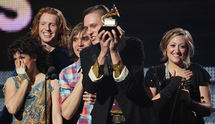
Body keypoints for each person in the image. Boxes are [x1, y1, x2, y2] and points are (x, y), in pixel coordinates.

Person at [81, 4, 160, 124]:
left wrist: (114, 52)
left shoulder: (133, 45)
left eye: (93, 26)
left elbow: (129, 86)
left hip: (136, 117)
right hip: (104, 119)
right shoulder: (87, 53)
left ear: (108, 23)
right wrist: (102, 53)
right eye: (86, 28)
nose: (89, 32)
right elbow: (89, 86)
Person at [0, 7, 73, 123]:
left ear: (60, 29)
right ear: (38, 27)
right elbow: (17, 84)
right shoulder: (26, 53)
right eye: (43, 24)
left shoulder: (67, 57)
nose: (47, 29)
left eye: (52, 25)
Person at [145, 28, 212, 124]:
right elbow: (150, 108)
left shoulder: (197, 70)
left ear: (188, 49)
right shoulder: (155, 72)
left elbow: (208, 110)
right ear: (165, 47)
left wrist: (190, 102)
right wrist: (172, 85)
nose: (176, 50)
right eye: (173, 45)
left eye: (182, 46)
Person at [3, 34, 62, 123]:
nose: (19, 62)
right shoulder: (12, 82)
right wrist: (25, 81)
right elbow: (12, 109)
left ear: (34, 57)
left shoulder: (51, 82)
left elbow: (56, 117)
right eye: (16, 59)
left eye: (22, 57)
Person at [59, 22, 96, 124]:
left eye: (84, 39)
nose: (79, 44)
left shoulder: (107, 65)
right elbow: (66, 113)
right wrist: (84, 74)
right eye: (75, 39)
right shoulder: (66, 72)